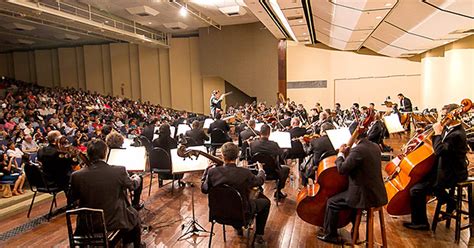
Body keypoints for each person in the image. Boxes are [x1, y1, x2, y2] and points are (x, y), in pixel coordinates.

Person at [403, 104, 468, 230]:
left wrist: (437, 133)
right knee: (420, 182)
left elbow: (440, 151)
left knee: (416, 190)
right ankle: (450, 201)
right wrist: (422, 134)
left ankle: (421, 223)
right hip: (442, 168)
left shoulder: (457, 134)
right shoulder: (448, 127)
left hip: (452, 172)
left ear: (454, 116)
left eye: (444, 116)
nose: (441, 119)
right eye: (441, 116)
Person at [70, 139, 144, 247]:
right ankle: (134, 245)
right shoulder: (118, 171)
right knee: (134, 215)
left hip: (87, 224)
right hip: (112, 221)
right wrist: (137, 178)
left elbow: (73, 199)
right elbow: (132, 186)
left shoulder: (76, 176)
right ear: (106, 153)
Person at [318, 131, 388, 244]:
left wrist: (340, 154)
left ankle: (331, 235)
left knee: (332, 202)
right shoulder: (375, 146)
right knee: (347, 197)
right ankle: (354, 232)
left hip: (364, 196)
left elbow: (342, 169)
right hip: (377, 193)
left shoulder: (358, 150)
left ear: (355, 137)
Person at [201, 142, 270, 246]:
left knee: (230, 202)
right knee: (266, 203)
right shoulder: (244, 173)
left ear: (222, 155)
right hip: (242, 214)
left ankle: (238, 228)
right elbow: (259, 181)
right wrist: (261, 170)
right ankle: (258, 236)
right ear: (237, 155)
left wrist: (206, 171)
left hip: (218, 214)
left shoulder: (212, 172)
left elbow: (204, 189)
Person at [250, 124, 290, 199]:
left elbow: (251, 158)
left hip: (257, 172)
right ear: (269, 133)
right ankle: (278, 191)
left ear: (260, 133)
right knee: (286, 169)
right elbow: (281, 154)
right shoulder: (274, 144)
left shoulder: (253, 144)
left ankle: (259, 189)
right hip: (273, 172)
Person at [37, 130, 75, 200]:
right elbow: (73, 162)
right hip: (60, 180)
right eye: (61, 137)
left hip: (46, 180)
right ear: (56, 139)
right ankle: (74, 202)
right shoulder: (60, 152)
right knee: (79, 176)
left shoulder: (41, 150)